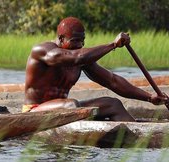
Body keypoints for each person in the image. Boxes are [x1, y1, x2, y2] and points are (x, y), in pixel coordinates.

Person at [23, 16, 167, 121]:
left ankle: (136, 141)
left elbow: (112, 81)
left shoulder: (81, 59)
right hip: (35, 111)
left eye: (82, 40)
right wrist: (113, 45)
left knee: (113, 104)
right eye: (75, 41)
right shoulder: (43, 51)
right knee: (72, 105)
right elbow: (77, 57)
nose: (80, 45)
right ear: (61, 39)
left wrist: (149, 97)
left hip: (65, 110)